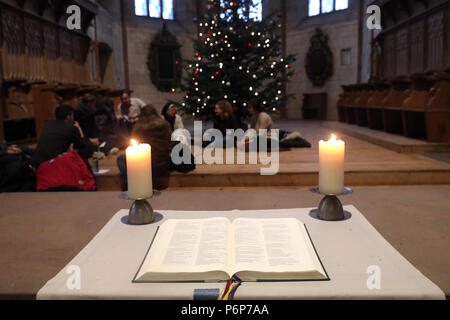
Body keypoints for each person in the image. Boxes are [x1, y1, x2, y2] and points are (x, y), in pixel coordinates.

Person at [117, 105, 172, 191]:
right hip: (163, 163)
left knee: (121, 159)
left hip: (144, 165)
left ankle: (132, 183)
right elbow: (170, 144)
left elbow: (135, 148)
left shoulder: (138, 128)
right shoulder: (165, 125)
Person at [32, 105, 98, 169]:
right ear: (68, 117)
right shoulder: (70, 128)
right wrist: (79, 129)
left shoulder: (48, 125)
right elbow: (81, 146)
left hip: (38, 163)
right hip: (53, 164)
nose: (73, 118)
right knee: (82, 158)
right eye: (73, 115)